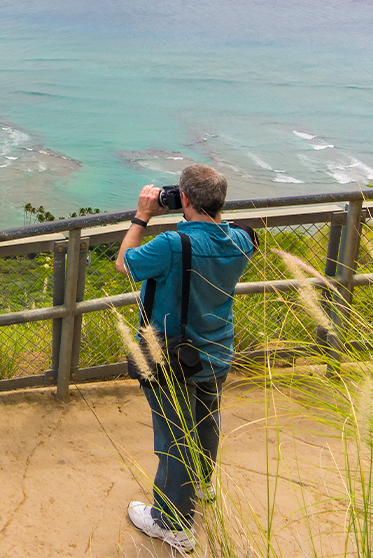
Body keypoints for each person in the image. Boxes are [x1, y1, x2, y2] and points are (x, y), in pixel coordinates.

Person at [115, 164, 252, 553]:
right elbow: (224, 227)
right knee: (207, 419)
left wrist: (143, 215)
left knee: (174, 435)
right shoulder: (242, 241)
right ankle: (203, 483)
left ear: (185, 200)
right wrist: (199, 207)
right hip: (217, 349)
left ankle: (172, 523)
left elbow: (125, 262)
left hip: (172, 357)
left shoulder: (173, 245)